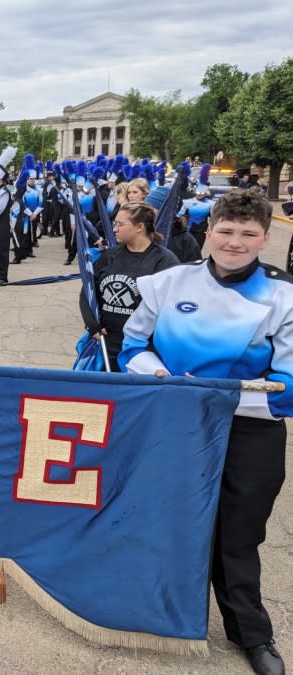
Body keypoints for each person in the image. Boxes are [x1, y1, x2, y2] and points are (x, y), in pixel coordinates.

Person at [119, 189, 289, 675]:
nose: (235, 242)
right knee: (162, 522)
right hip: (175, 423)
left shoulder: (284, 294)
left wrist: (219, 393)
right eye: (226, 231)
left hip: (249, 432)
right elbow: (133, 348)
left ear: (265, 237)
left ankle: (250, 634)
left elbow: (290, 386)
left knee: (237, 537)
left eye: (248, 234)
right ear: (208, 231)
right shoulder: (168, 282)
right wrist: (161, 378)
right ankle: (151, 616)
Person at [79, 202, 178, 372]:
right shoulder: (109, 256)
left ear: (139, 227)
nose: (115, 229)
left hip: (142, 350)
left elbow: (173, 309)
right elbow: (87, 291)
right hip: (104, 343)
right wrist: (91, 324)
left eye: (120, 224)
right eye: (114, 224)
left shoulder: (164, 261)